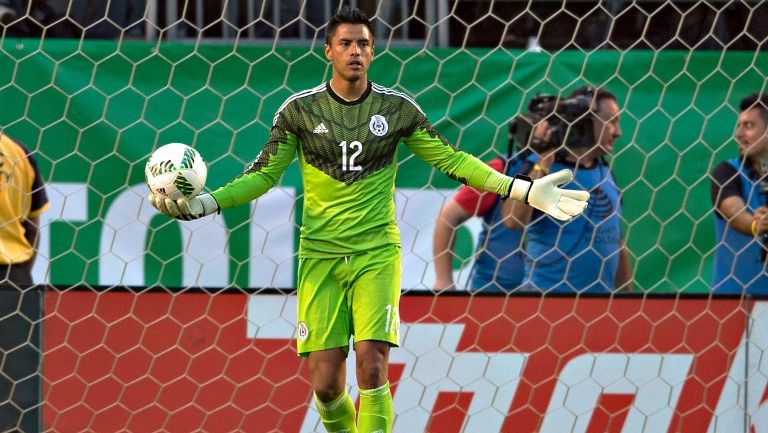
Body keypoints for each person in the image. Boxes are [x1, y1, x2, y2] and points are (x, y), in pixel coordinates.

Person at [148, 7, 589, 433]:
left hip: (376, 253)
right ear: (328, 51)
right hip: (320, 256)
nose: (355, 50)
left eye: (363, 43)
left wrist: (523, 189)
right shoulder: (299, 112)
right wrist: (206, 204)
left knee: (372, 362)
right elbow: (262, 176)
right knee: (325, 385)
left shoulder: (397, 110)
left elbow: (453, 161)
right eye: (346, 43)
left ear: (373, 51)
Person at [503, 86, 632, 293]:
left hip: (600, 308)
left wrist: (628, 303)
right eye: (611, 122)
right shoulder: (541, 166)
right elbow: (512, 220)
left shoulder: (606, 173)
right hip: (545, 302)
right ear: (585, 123)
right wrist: (541, 162)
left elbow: (617, 243)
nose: (618, 132)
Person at [432, 117, 551, 292]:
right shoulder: (503, 169)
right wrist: (443, 281)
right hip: (493, 294)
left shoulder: (582, 172)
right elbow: (448, 217)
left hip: (553, 294)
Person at [0, 133, 49, 432]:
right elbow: (32, 226)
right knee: (16, 389)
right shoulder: (18, 151)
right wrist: (21, 275)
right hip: (14, 278)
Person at [710, 92, 768, 294]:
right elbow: (733, 212)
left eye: (748, 126)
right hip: (731, 305)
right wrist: (755, 225)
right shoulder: (727, 171)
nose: (738, 134)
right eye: (739, 125)